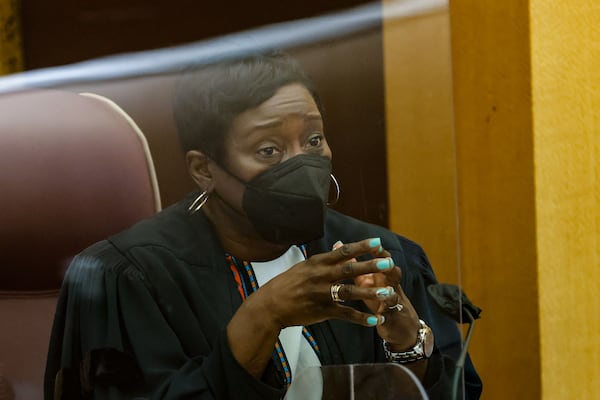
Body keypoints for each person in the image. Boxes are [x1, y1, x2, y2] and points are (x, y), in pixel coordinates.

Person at [45, 52, 482, 399]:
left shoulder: (377, 252)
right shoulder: (130, 277)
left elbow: (452, 392)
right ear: (204, 170)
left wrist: (407, 341)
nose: (302, 165)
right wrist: (263, 315)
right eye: (269, 150)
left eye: (313, 140)